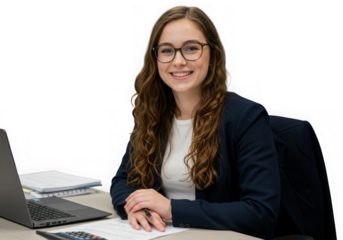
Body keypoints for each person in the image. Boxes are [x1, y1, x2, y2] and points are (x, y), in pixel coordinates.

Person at [110, 5, 280, 240]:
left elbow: (260, 213)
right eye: (167, 50)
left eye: (191, 48)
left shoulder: (246, 117)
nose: (178, 61)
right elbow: (122, 180)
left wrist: (171, 209)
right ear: (155, 58)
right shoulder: (153, 113)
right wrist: (135, 207)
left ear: (213, 54)